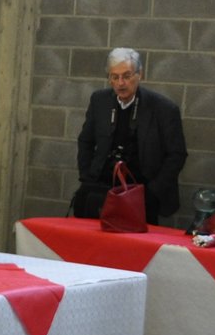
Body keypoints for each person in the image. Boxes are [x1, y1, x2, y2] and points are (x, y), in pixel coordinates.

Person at [72, 47, 188, 224]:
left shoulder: (163, 109)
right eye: (114, 77)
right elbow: (85, 141)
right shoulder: (99, 100)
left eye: (126, 76)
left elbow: (177, 155)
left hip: (142, 192)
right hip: (100, 187)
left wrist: (153, 191)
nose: (120, 83)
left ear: (139, 74)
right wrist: (86, 175)